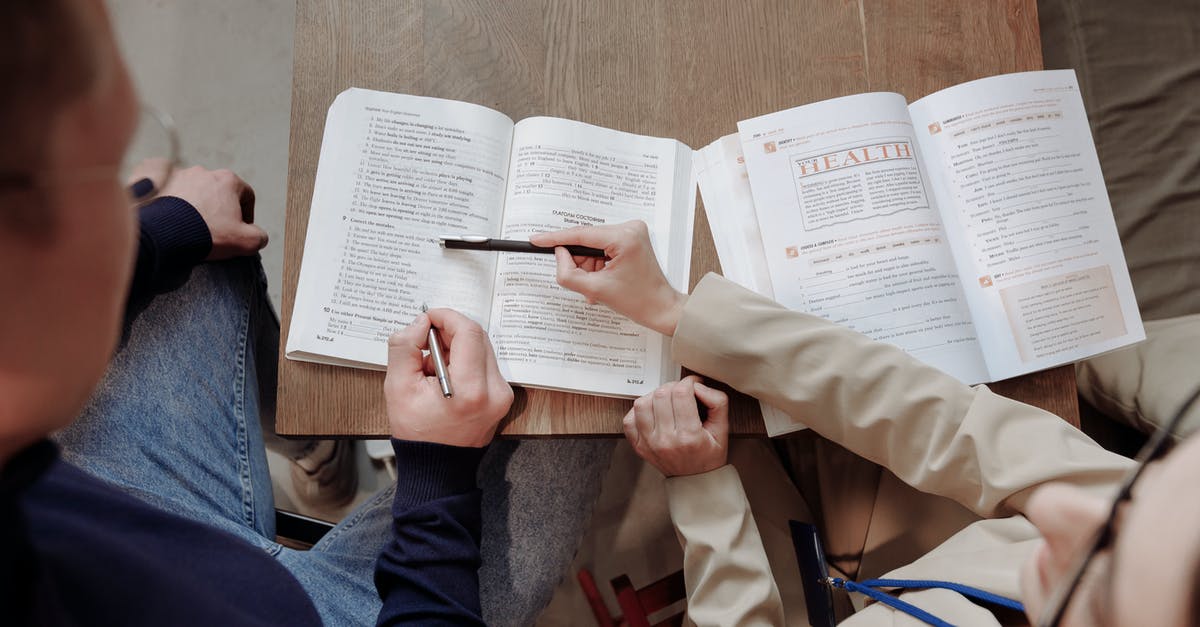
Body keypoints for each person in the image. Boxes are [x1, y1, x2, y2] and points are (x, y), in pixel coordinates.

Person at [0, 1, 609, 624]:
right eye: (103, 179)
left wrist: (165, 228)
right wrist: (436, 472)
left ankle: (317, 452)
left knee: (198, 251)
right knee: (565, 407)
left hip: (119, 524)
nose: (135, 191)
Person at [531, 221, 1200, 626]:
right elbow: (946, 421)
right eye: (1128, 504)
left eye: (1109, 577)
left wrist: (706, 496)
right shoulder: (1171, 534)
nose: (1059, 504)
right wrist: (678, 311)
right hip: (886, 561)